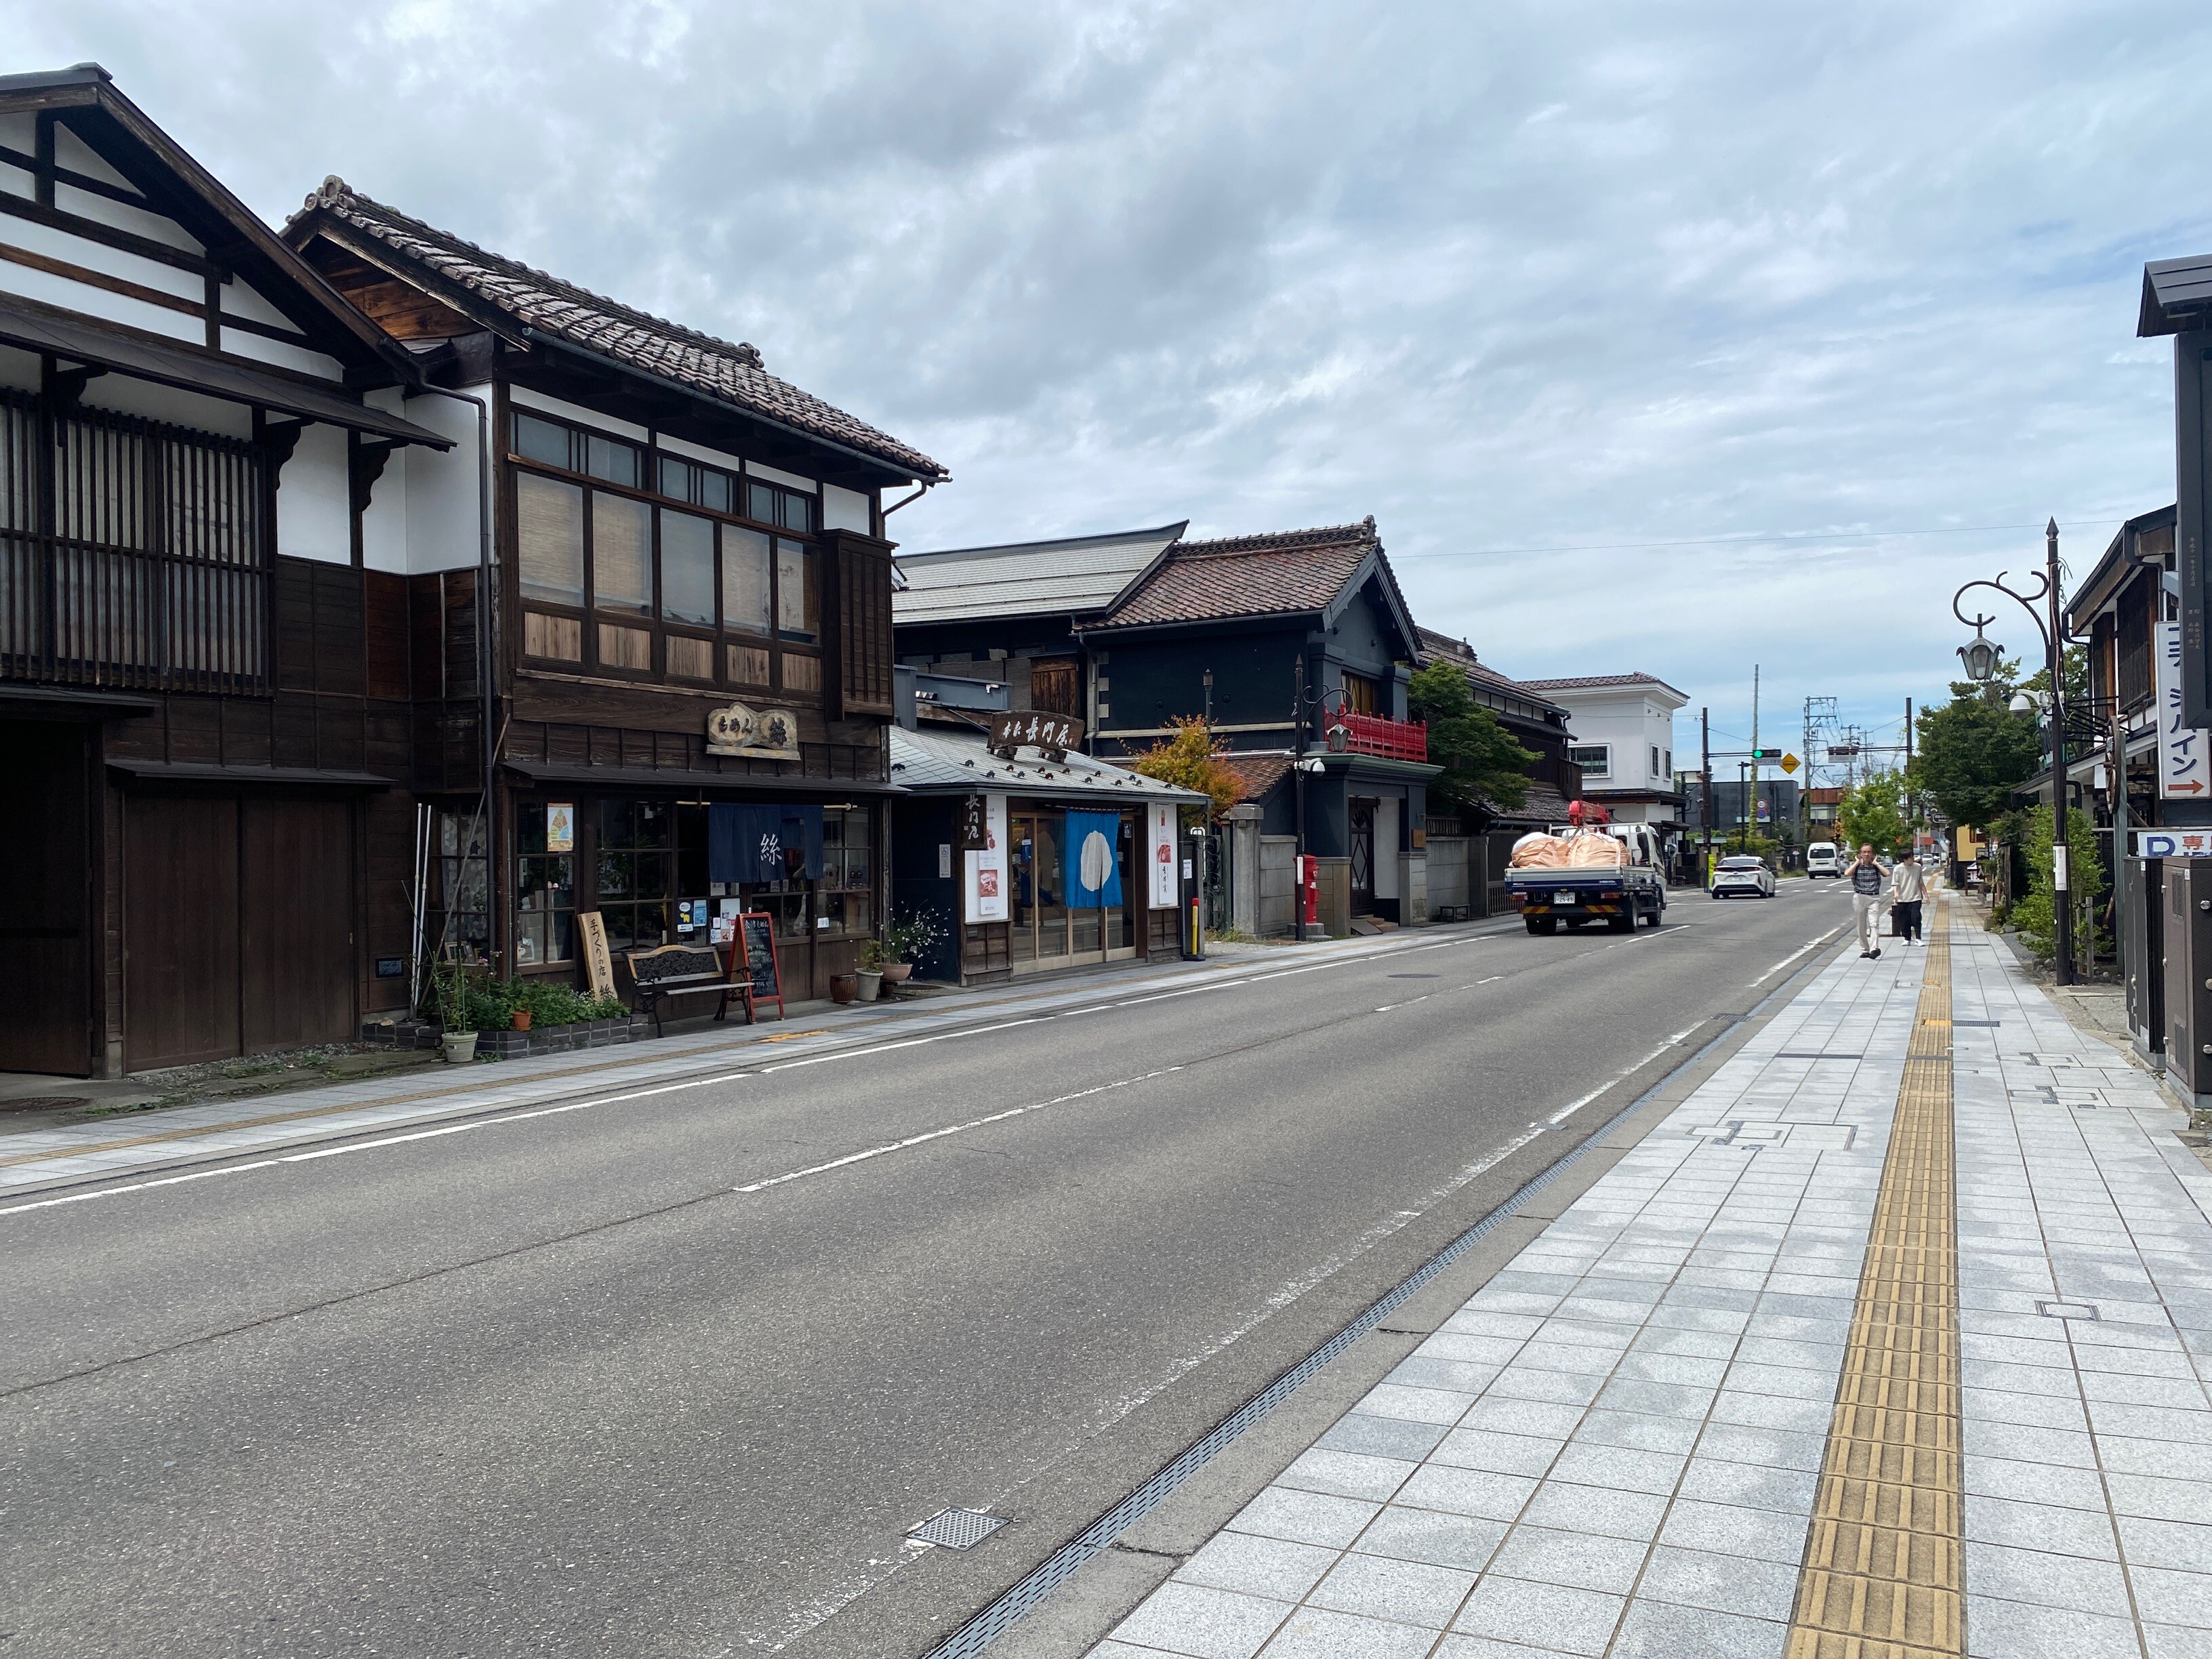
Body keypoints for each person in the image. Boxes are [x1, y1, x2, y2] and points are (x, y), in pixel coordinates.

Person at [1848, 843, 1885, 958]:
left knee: (1874, 924)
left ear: (1873, 854)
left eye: (1869, 852)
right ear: (1860, 854)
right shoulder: (1857, 866)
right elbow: (1847, 873)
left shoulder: (1876, 866)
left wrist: (1876, 863)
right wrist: (1857, 863)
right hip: (1860, 897)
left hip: (1874, 897)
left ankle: (1874, 949)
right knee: (1861, 925)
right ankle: (1865, 950)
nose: (1867, 854)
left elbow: (1887, 873)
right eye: (1864, 852)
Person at [1889, 851, 1925, 945]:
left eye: (1913, 857)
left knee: (1916, 918)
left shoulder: (1918, 867)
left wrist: (1926, 895)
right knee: (1904, 920)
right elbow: (1895, 883)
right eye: (1911, 858)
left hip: (1916, 897)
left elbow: (1921, 882)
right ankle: (1907, 938)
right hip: (1902, 898)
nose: (1913, 859)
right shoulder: (1898, 869)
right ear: (1905, 859)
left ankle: (1918, 938)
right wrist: (1896, 893)